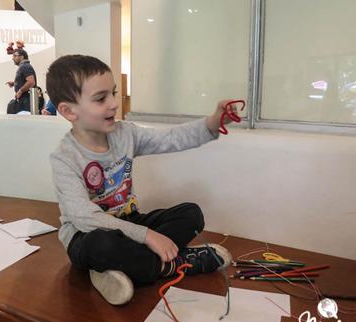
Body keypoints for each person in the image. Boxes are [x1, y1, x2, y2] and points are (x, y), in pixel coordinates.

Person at [47, 55, 239, 305]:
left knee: (191, 215)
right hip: (87, 235)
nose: (114, 103)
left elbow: (170, 138)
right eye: (101, 98)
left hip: (128, 222)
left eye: (114, 93)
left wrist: (213, 122)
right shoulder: (64, 158)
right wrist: (148, 236)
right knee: (101, 245)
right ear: (68, 110)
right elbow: (84, 218)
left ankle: (125, 268)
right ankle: (172, 264)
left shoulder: (125, 133)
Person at [6, 48, 37, 112]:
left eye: (15, 56)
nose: (13, 58)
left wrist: (20, 91)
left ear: (22, 56)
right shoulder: (24, 66)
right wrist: (14, 83)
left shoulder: (25, 66)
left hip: (26, 100)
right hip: (24, 100)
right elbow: (26, 81)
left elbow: (31, 82)